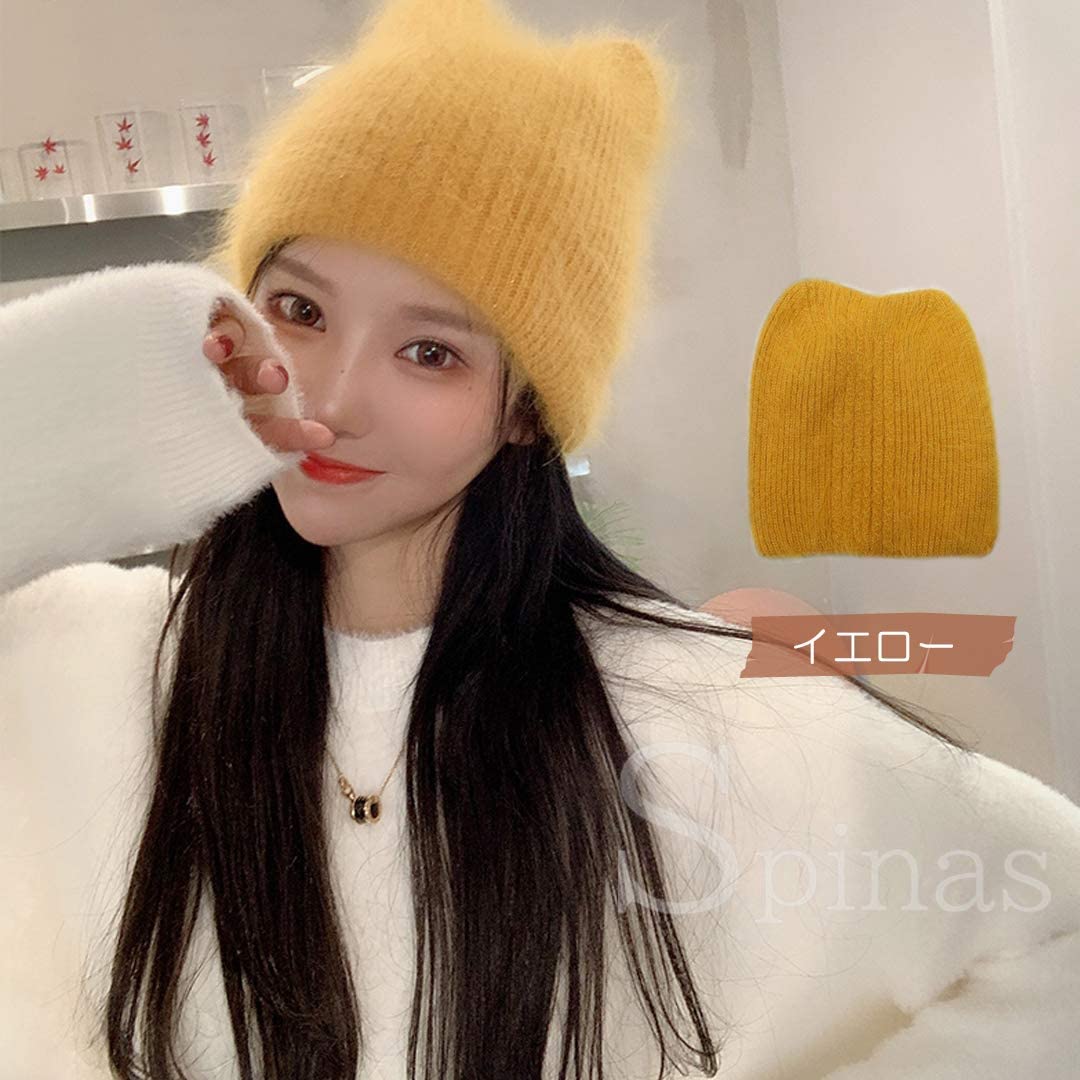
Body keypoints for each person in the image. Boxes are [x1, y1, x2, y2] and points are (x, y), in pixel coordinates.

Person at [3, 3, 1080, 1080]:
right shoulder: (89, 657)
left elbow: (1056, 925)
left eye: (430, 351)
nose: (328, 402)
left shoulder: (683, 705)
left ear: (525, 411)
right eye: (300, 309)